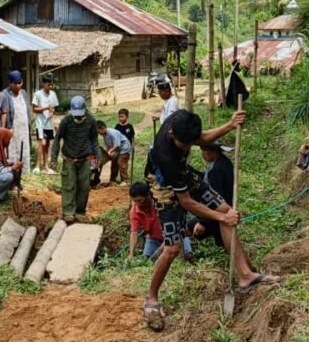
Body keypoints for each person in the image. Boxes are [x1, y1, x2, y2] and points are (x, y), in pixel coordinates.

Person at [142, 110, 280, 331]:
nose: (188, 148)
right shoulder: (164, 156)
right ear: (171, 134)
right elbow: (186, 202)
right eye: (183, 145)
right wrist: (220, 217)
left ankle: (245, 276)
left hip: (183, 174)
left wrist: (231, 124)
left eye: (190, 144)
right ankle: (151, 298)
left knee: (226, 208)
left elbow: (202, 137)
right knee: (172, 248)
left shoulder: (183, 122)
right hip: (163, 187)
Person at [50, 96, 98, 223]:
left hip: (85, 159)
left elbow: (94, 139)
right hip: (69, 158)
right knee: (69, 186)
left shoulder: (91, 121)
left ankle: (80, 211)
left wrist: (97, 156)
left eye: (79, 115)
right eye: (75, 115)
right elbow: (57, 139)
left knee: (84, 186)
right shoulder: (66, 121)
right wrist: (54, 158)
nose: (77, 117)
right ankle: (68, 212)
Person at [186, 142, 235, 249]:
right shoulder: (222, 162)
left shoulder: (216, 170)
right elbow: (207, 179)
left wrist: (203, 223)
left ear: (213, 151)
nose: (203, 155)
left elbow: (216, 198)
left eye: (204, 151)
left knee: (189, 226)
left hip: (220, 212)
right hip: (225, 209)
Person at [4, 70, 33, 175]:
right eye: (14, 83)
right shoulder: (5, 94)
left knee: (24, 148)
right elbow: (4, 113)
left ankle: (24, 171)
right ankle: (12, 172)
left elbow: (28, 110)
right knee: (12, 149)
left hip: (24, 128)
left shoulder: (24, 93)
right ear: (9, 83)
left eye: (19, 83)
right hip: (12, 128)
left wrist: (30, 123)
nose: (17, 85)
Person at [32, 74, 59, 174]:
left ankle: (46, 167)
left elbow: (53, 108)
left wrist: (52, 113)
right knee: (42, 143)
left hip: (49, 122)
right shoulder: (38, 94)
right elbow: (34, 109)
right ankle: (37, 166)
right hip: (41, 123)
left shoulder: (53, 94)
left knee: (47, 144)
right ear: (43, 84)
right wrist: (45, 108)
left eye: (51, 85)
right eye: (48, 84)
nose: (50, 87)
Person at [97, 120, 133, 186]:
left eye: (99, 131)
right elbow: (108, 146)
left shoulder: (112, 133)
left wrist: (110, 151)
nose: (99, 133)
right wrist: (107, 152)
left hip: (124, 148)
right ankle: (112, 180)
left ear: (103, 128)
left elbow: (117, 145)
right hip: (117, 150)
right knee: (114, 163)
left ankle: (125, 180)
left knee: (121, 163)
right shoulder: (105, 135)